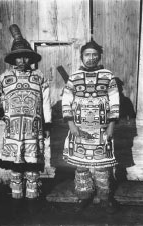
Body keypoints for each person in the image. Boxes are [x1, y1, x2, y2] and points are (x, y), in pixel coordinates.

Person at [0, 24, 52, 201]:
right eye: (18, 58)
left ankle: (32, 198)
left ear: (30, 58)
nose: (22, 61)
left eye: (25, 57)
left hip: (34, 128)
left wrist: (47, 124)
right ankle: (16, 199)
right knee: (16, 164)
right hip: (13, 130)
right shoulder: (5, 78)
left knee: (32, 164)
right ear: (13, 60)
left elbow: (46, 101)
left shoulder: (39, 77)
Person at [62, 40, 120, 213]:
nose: (91, 58)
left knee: (102, 165)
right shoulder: (73, 78)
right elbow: (66, 102)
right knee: (81, 166)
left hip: (102, 129)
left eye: (95, 54)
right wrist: (71, 125)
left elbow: (114, 102)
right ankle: (83, 197)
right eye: (87, 54)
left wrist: (111, 127)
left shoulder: (108, 76)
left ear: (99, 56)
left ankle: (104, 197)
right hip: (79, 128)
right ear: (81, 57)